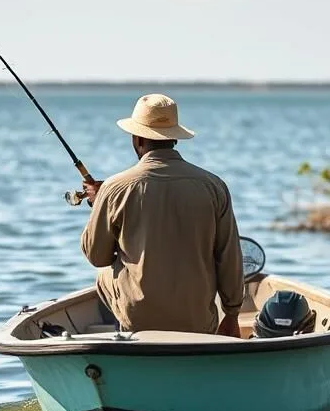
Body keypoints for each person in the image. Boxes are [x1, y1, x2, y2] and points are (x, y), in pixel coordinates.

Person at [80, 93, 244, 337]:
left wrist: (102, 204)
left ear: (136, 139)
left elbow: (97, 256)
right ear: (174, 139)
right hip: (197, 320)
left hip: (138, 321)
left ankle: (124, 335)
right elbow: (229, 258)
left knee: (104, 274)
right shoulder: (214, 186)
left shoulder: (114, 188)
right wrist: (231, 314)